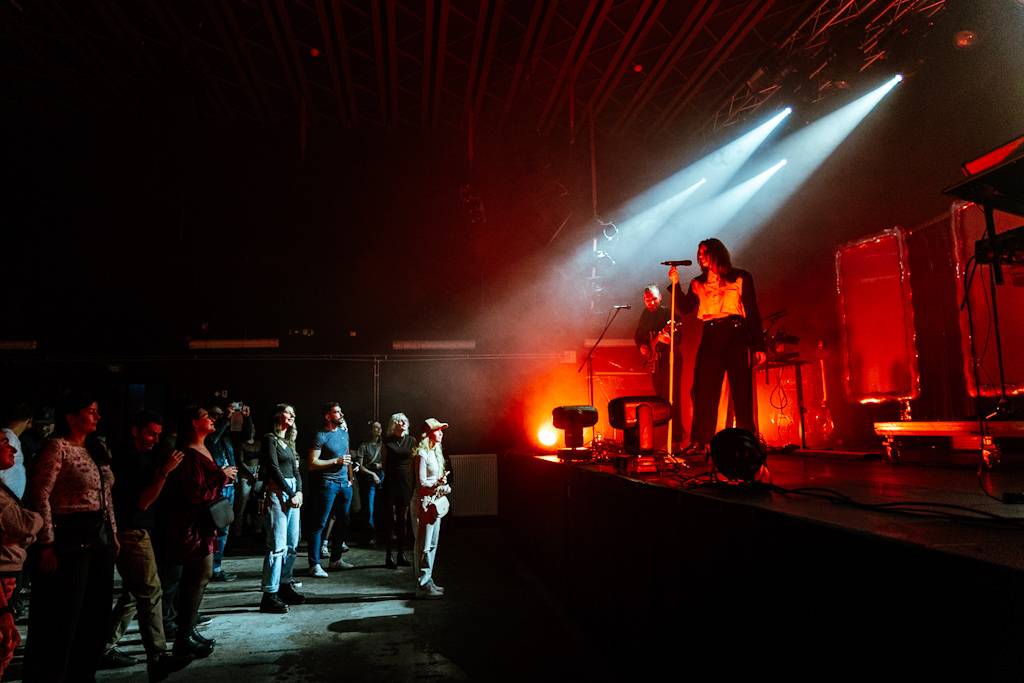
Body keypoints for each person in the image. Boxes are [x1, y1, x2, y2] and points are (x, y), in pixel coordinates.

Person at [25, 392, 118, 682]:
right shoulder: (57, 447)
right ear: (71, 416)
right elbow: (40, 495)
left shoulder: (95, 448)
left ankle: (83, 672)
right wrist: (47, 542)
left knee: (96, 612)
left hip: (98, 535)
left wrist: (113, 533)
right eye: (91, 410)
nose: (97, 416)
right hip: (69, 536)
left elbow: (106, 495)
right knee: (65, 614)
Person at [102, 410, 188, 680]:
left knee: (133, 592)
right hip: (131, 530)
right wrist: (164, 472)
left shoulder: (144, 455)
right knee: (151, 591)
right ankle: (158, 656)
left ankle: (103, 646)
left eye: (159, 434)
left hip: (139, 529)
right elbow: (143, 502)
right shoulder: (126, 460)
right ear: (135, 431)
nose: (155, 439)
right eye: (151, 433)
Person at [669, 238, 766, 454]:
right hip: (711, 333)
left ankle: (746, 440)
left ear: (716, 253)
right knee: (703, 389)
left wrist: (759, 346)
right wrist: (675, 284)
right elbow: (685, 308)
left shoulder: (741, 277)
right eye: (699, 253)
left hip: (736, 333)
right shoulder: (697, 282)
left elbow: (752, 312)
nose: (700, 257)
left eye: (703, 252)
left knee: (741, 389)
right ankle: (701, 441)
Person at [159, 405, 236, 659]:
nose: (212, 419)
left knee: (199, 579)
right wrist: (222, 477)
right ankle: (183, 637)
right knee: (196, 578)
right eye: (206, 416)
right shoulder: (187, 454)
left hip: (203, 523)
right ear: (194, 423)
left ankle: (188, 631)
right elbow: (193, 493)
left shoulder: (205, 446)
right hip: (191, 525)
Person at [0, 430, 42, 679]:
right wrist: (30, 524)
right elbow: (27, 524)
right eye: (5, 443)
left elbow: (23, 528)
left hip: (8, 576)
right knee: (5, 643)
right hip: (2, 580)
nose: (13, 450)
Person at [259, 403, 305, 613]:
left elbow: (295, 469)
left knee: (292, 542)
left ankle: (285, 584)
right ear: (278, 415)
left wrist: (300, 491)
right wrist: (289, 491)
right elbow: (273, 467)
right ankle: (269, 594)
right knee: (277, 544)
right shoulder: (270, 439)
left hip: (292, 491)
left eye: (294, 413)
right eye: (289, 412)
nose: (292, 415)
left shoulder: (288, 442)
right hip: (278, 490)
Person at [306, 402, 354, 578]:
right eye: (337, 412)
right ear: (327, 416)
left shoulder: (343, 433)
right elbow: (312, 463)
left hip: (344, 485)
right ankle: (314, 564)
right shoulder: (320, 436)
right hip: (327, 485)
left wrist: (350, 479)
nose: (341, 414)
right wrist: (335, 461)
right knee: (319, 523)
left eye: (341, 411)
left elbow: (347, 456)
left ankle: (336, 560)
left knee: (343, 522)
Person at [634, 284, 685, 447]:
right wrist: (642, 345)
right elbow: (639, 335)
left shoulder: (669, 314)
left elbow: (679, 338)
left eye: (653, 299)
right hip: (655, 361)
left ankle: (676, 438)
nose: (650, 303)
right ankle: (664, 437)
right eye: (647, 300)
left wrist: (670, 341)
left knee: (672, 398)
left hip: (670, 359)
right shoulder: (645, 315)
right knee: (660, 400)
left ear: (660, 298)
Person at [411, 418, 451, 600]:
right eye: (437, 430)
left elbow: (433, 480)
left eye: (442, 430)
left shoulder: (436, 451)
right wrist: (437, 482)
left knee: (432, 544)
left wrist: (442, 483)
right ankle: (422, 585)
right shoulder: (422, 453)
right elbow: (421, 483)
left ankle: (428, 580)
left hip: (434, 502)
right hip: (424, 503)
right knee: (424, 546)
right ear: (428, 433)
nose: (441, 432)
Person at [206, 403, 237, 582]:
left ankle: (216, 568)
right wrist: (225, 418)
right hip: (216, 488)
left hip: (230, 486)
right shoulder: (209, 437)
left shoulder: (225, 435)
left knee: (224, 529)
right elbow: (213, 439)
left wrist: (246, 420)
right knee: (213, 529)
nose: (218, 419)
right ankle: (207, 567)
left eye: (221, 416)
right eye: (215, 416)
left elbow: (247, 437)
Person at [380, 413, 414, 569]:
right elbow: (384, 464)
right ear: (393, 424)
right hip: (392, 483)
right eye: (399, 421)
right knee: (391, 520)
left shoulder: (412, 440)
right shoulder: (387, 442)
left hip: (406, 483)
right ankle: (389, 555)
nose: (402, 423)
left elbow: (414, 462)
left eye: (404, 421)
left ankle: (401, 554)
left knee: (403, 520)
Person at [353, 421, 383, 545]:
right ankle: (371, 535)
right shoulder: (364, 446)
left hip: (382, 477)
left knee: (381, 507)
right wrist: (373, 474)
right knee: (369, 508)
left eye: (380, 428)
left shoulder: (383, 446)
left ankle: (382, 534)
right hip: (369, 480)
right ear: (370, 430)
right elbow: (360, 466)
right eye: (376, 428)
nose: (379, 430)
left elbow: (387, 462)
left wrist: (380, 465)